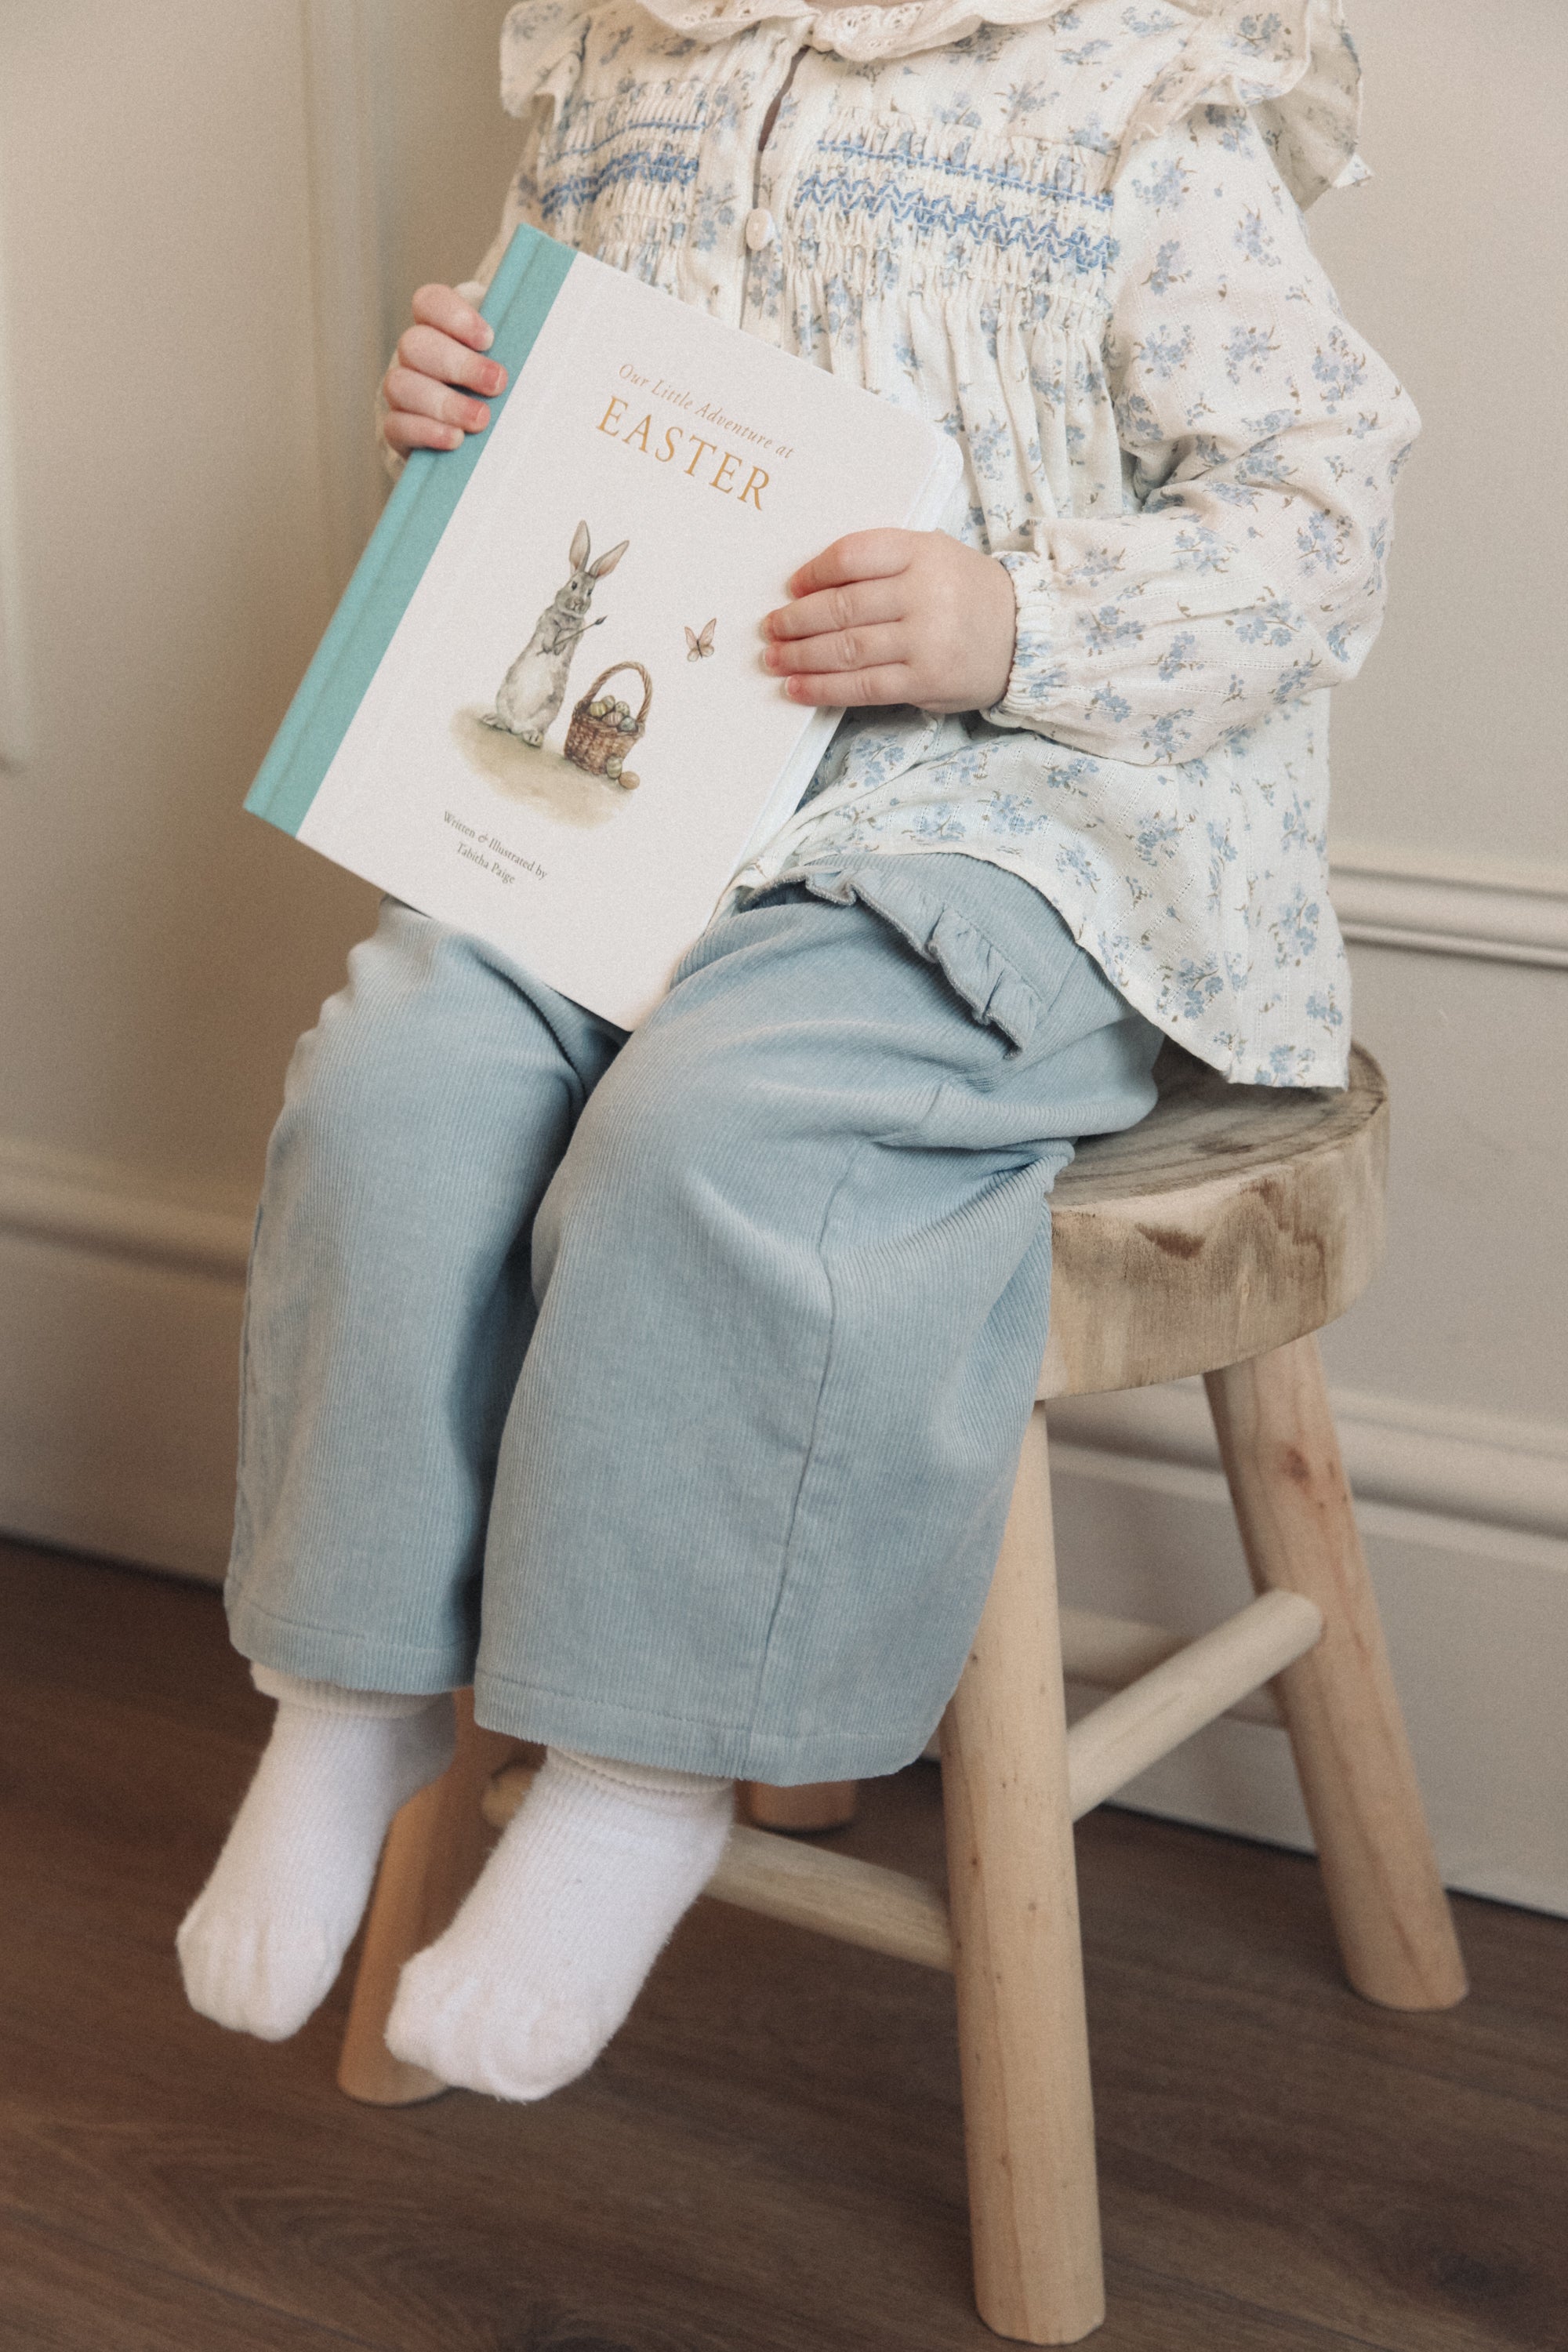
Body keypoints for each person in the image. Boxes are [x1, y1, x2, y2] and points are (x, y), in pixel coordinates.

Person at [177, 0, 1417, 2103]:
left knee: (727, 1127)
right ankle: (349, 1682)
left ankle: (647, 1765)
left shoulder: (1142, 93)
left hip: (1019, 816)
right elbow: (555, 426)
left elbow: (1317, 516)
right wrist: (453, 408)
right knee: (401, 1074)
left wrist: (1015, 618)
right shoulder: (623, 71)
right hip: (663, 789)